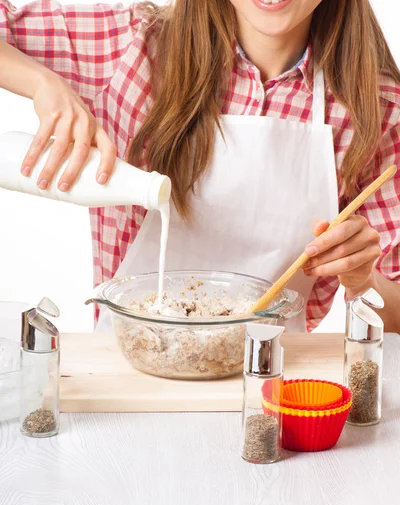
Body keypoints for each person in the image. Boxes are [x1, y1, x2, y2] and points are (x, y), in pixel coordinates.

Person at [0, 0, 399, 332]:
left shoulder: (377, 109)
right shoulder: (130, 49)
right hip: (129, 381)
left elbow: (394, 315)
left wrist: (363, 279)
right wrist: (41, 83)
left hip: (271, 391)